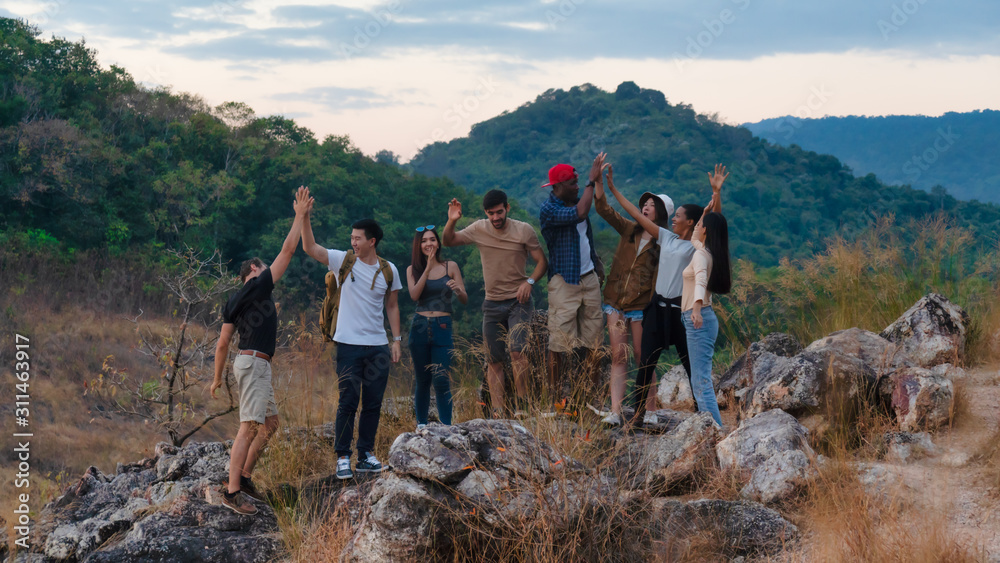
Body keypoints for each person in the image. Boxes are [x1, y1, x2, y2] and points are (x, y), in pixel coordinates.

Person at [211, 186, 312, 515]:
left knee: (269, 424)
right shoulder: (257, 284)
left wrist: (216, 379)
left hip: (250, 363)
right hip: (253, 364)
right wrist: (298, 217)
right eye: (264, 267)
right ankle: (232, 492)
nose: (269, 271)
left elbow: (223, 342)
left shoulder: (233, 301)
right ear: (253, 270)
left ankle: (245, 478)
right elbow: (288, 250)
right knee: (249, 426)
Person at [605, 164, 727, 428]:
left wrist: (716, 194)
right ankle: (636, 419)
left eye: (679, 215)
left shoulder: (697, 245)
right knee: (645, 365)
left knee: (692, 368)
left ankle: (703, 420)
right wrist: (613, 189)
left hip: (681, 314)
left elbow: (714, 223)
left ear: (692, 222)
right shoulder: (667, 238)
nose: (674, 218)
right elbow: (635, 214)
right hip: (656, 310)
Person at [301, 210, 402, 480]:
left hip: (378, 346)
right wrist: (304, 217)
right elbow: (310, 247)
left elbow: (392, 306)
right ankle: (343, 457)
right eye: (351, 238)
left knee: (373, 404)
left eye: (358, 238)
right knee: (347, 401)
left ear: (372, 241)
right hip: (348, 345)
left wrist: (397, 340)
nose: (353, 242)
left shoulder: (388, 270)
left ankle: (366, 455)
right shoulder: (342, 260)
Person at [443, 190, 547, 417]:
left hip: (519, 301)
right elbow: (448, 241)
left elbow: (542, 262)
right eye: (491, 214)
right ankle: (498, 411)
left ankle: (523, 406)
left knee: (517, 351)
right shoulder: (479, 229)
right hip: (492, 303)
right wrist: (452, 221)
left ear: (507, 208)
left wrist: (529, 282)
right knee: (493, 360)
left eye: (499, 212)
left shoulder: (524, 230)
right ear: (485, 213)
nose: (495, 217)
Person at [593, 177, 671, 426]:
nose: (646, 206)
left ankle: (650, 410)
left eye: (652, 204)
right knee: (619, 356)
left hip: (641, 306)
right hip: (615, 302)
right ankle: (616, 412)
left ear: (662, 212)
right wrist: (599, 184)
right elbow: (605, 210)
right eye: (644, 203)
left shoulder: (664, 242)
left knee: (642, 356)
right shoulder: (629, 228)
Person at [538, 154, 607, 409]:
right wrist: (591, 181)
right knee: (559, 346)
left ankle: (590, 400)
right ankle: (556, 402)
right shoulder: (549, 210)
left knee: (594, 342)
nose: (577, 186)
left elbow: (584, 235)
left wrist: (596, 261)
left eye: (578, 181)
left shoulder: (577, 200)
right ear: (557, 187)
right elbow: (580, 215)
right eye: (572, 183)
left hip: (588, 279)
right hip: (564, 282)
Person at [407, 225, 467, 429]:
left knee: (441, 379)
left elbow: (464, 298)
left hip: (442, 326)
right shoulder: (412, 270)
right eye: (424, 241)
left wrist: (458, 289)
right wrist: (427, 268)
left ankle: (446, 427)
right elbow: (414, 295)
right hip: (420, 327)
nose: (428, 244)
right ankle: (421, 425)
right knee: (423, 380)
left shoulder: (451, 266)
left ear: (438, 243)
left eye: (432, 239)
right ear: (418, 245)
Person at [682, 211, 732, 426]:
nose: (698, 225)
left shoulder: (701, 256)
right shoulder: (705, 250)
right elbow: (694, 238)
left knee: (701, 382)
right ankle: (712, 430)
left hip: (698, 319)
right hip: (703, 318)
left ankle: (715, 431)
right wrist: (704, 213)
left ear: (706, 230)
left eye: (700, 223)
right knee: (699, 380)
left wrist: (696, 308)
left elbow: (701, 281)